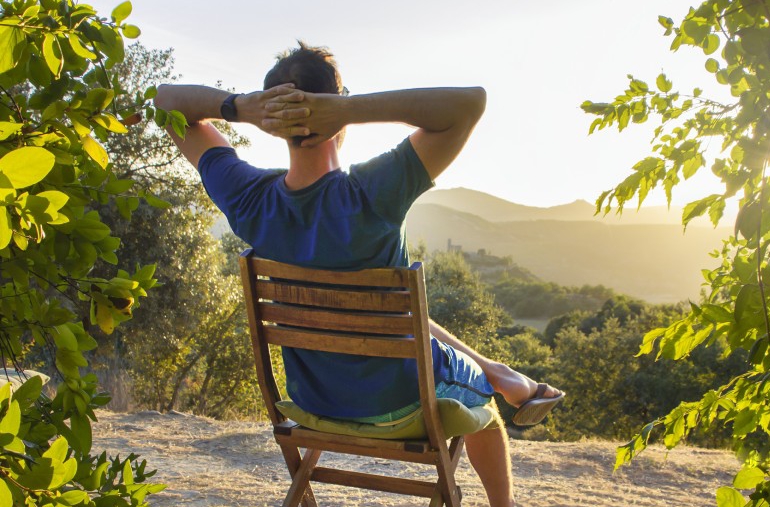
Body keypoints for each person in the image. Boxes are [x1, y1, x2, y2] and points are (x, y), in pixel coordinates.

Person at [154, 42, 563, 507]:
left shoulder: (248, 198)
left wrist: (240, 108)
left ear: (273, 120)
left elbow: (166, 101)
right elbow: (470, 103)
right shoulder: (373, 192)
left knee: (397, 315)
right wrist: (347, 108)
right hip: (400, 408)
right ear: (336, 106)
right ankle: (504, 449)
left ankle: (499, 370)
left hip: (312, 406)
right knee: (486, 409)